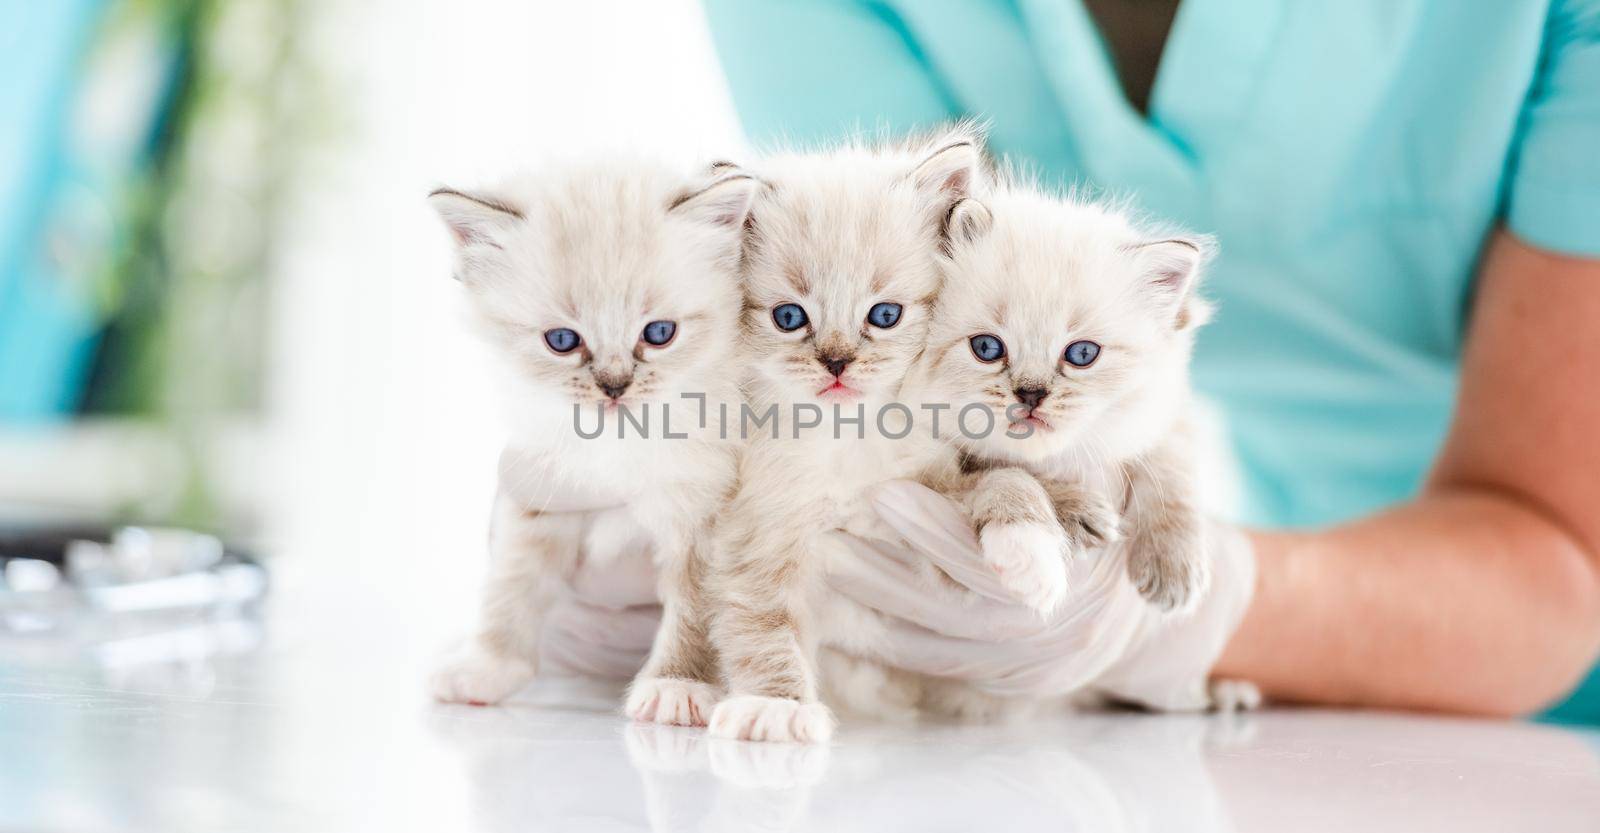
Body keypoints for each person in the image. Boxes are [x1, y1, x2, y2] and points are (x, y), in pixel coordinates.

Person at [540, 0, 1600, 722]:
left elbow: (1556, 556)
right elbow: (883, 365)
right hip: (1316, 653)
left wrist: (1200, 609)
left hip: (1495, 597)